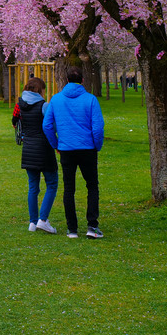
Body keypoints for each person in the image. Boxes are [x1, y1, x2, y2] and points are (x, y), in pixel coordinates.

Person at [43, 67, 106, 240]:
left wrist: (56, 143)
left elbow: (47, 126)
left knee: (68, 188)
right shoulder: (91, 100)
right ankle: (92, 226)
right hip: (87, 149)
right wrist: (96, 145)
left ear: (66, 80)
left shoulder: (56, 99)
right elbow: (98, 128)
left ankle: (72, 229)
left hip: (66, 149)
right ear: (83, 81)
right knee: (92, 186)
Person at [14, 77, 58, 233]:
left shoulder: (21, 105)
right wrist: (56, 144)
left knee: (33, 187)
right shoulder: (43, 106)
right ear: (40, 90)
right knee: (52, 183)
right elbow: (51, 126)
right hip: (44, 149)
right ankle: (43, 219)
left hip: (28, 149)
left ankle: (33, 222)